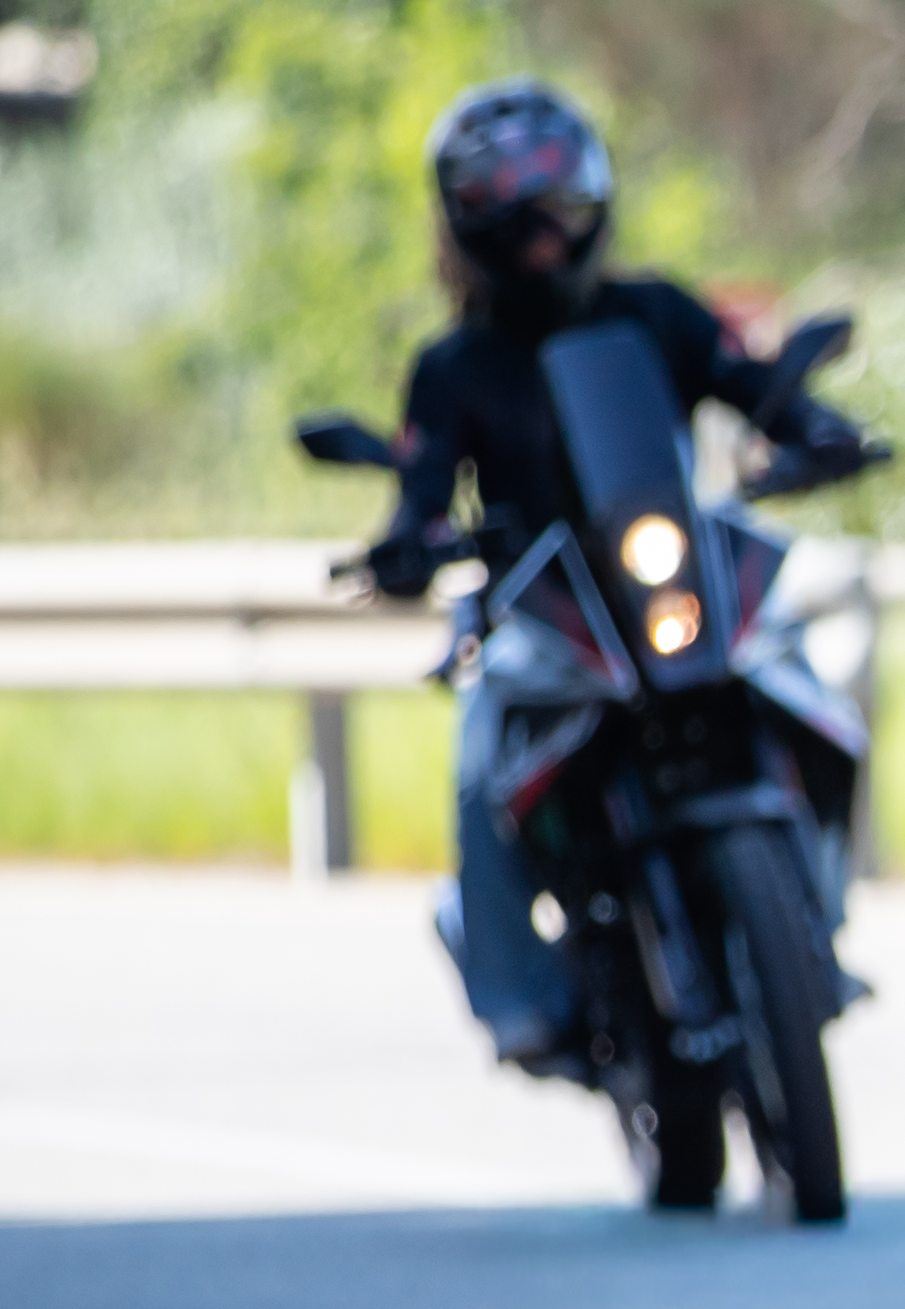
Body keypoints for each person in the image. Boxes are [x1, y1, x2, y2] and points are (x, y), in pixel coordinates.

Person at [358, 79, 878, 1076]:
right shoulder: (453, 366)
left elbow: (751, 384)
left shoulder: (656, 312)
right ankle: (520, 999)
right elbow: (420, 492)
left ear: (592, 200)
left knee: (803, 688)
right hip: (542, 612)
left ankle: (813, 919)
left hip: (665, 580)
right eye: (510, 216)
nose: (541, 239)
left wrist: (816, 429)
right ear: (465, 229)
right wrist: (406, 544)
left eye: (557, 207)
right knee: (479, 770)